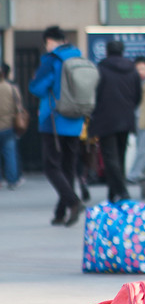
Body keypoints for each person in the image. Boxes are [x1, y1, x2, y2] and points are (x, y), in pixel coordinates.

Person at [29, 27, 86, 226]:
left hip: (53, 119)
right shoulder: (79, 58)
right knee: (68, 166)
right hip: (76, 119)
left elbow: (37, 87)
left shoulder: (52, 60)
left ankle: (73, 202)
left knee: (51, 166)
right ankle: (61, 212)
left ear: (49, 41)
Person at [88, 40, 142, 202]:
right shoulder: (132, 70)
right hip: (126, 118)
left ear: (107, 51)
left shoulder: (101, 69)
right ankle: (113, 193)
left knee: (110, 157)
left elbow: (95, 94)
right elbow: (138, 96)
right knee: (120, 156)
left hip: (106, 119)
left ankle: (122, 191)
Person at [0, 63, 23, 190]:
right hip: (8, 125)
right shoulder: (11, 88)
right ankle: (12, 180)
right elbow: (18, 106)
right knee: (10, 154)